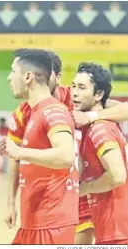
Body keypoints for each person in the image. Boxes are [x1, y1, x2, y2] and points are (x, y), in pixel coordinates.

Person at [4, 49, 128, 245]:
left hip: (71, 201)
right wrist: (11, 203)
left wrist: (92, 117)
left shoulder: (74, 100)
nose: (76, 90)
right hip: (45, 203)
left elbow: (66, 155)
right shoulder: (24, 111)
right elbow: (15, 159)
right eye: (75, 86)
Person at [0, 49, 79, 244]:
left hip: (51, 223)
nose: (9, 78)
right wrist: (11, 203)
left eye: (12, 71)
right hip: (34, 220)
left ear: (27, 77)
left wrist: (18, 151)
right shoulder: (31, 112)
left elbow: (66, 155)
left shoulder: (53, 110)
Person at [72, 62, 128, 245]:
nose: (74, 92)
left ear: (99, 94)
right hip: (109, 228)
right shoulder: (90, 128)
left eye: (81, 88)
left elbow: (118, 176)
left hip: (118, 231)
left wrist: (85, 188)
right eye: (73, 86)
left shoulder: (100, 129)